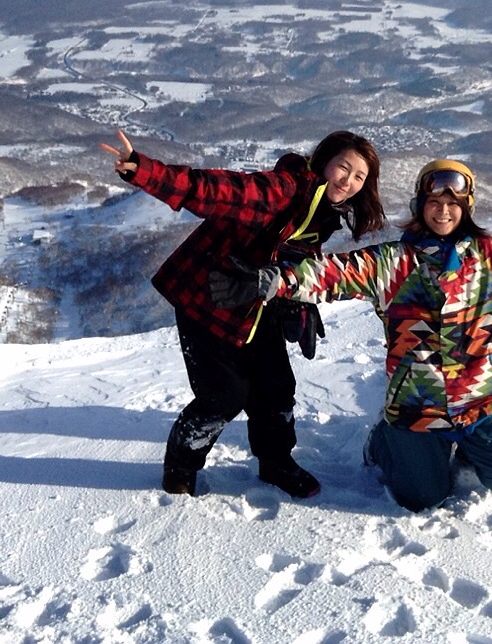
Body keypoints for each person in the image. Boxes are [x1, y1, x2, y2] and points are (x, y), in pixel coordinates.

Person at [210, 159, 492, 512]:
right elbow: (332, 272)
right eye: (434, 202)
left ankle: (469, 445)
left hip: (480, 405)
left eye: (453, 203)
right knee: (423, 498)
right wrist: (269, 281)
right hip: (416, 408)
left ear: (467, 207)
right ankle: (383, 441)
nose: (443, 211)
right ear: (421, 204)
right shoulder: (393, 263)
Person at [101, 128, 386, 499]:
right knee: (222, 396)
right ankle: (180, 466)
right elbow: (215, 190)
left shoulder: (325, 212)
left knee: (275, 387)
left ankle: (275, 462)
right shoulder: (283, 190)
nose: (348, 181)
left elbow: (290, 256)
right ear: (323, 163)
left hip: (254, 302)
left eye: (358, 177)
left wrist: (295, 300)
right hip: (209, 298)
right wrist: (144, 170)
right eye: (343, 168)